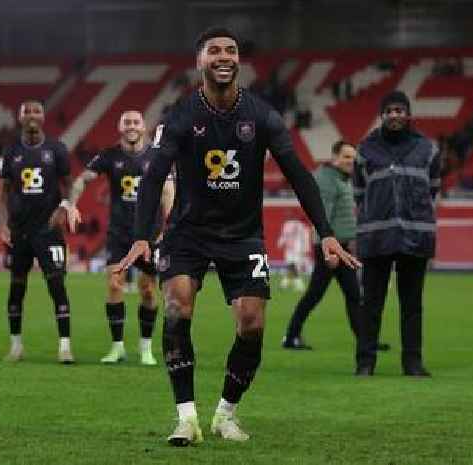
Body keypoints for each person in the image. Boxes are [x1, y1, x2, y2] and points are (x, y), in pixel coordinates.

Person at [114, 27, 359, 446]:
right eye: (214, 51)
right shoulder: (179, 117)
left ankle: (226, 413)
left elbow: (298, 173)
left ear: (239, 61)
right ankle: (186, 418)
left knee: (251, 324)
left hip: (242, 236)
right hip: (187, 232)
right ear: (200, 61)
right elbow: (154, 175)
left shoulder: (263, 116)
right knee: (177, 307)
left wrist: (326, 232)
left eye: (230, 51)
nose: (223, 57)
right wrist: (141, 235)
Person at [67, 110, 174, 365]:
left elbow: (168, 191)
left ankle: (145, 348)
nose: (131, 126)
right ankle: (117, 347)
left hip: (149, 234)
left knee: (147, 290)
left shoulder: (157, 157)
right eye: (127, 122)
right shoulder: (109, 156)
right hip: (119, 233)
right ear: (119, 126)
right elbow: (82, 180)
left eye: (136, 122)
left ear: (143, 126)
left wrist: (167, 226)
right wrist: (71, 204)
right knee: (115, 285)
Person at [353, 90, 440, 377]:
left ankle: (412, 363)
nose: (394, 115)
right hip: (376, 237)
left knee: (412, 305)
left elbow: (433, 189)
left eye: (399, 110)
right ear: (382, 115)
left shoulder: (427, 149)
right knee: (371, 304)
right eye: (389, 110)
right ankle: (365, 363)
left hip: (415, 237)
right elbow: (359, 193)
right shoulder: (365, 149)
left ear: (408, 114)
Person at [282, 141, 390, 352]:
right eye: (347, 157)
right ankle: (291, 336)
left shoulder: (339, 178)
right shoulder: (328, 180)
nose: (352, 161)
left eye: (353, 157)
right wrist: (327, 249)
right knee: (324, 294)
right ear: (335, 158)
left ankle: (365, 341)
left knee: (349, 294)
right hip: (331, 247)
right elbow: (323, 215)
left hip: (339, 247)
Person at [0, 99, 77, 364]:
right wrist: (2, 223)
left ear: (43, 116)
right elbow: (3, 194)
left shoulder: (57, 149)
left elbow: (70, 185)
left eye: (36, 111)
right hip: (19, 232)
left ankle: (65, 347)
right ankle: (16, 346)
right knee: (17, 287)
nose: (31, 115)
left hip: (48, 231)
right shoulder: (10, 152)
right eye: (26, 111)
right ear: (19, 117)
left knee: (56, 285)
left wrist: (65, 207)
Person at [277, 214, 311, 291]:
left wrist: (280, 243)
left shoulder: (287, 225)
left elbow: (284, 236)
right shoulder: (302, 226)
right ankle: (296, 284)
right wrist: (306, 249)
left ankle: (286, 283)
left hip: (290, 249)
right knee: (292, 266)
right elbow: (305, 237)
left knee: (292, 266)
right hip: (297, 249)